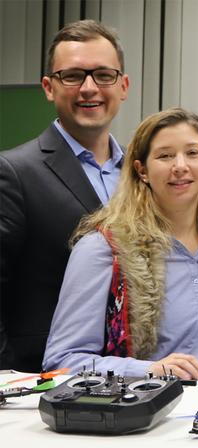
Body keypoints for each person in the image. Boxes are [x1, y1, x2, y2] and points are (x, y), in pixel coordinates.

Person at [42, 108, 198, 380]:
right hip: (157, 416)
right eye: (165, 155)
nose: (180, 166)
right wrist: (147, 370)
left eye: (192, 153)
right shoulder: (103, 248)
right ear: (141, 170)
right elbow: (61, 362)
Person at [0, 20, 130, 372]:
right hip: (42, 381)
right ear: (48, 87)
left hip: (138, 377)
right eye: (72, 76)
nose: (89, 88)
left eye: (103, 75)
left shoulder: (142, 173)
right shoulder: (14, 172)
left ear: (123, 86)